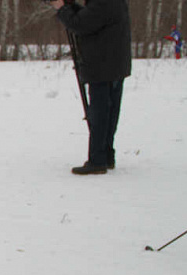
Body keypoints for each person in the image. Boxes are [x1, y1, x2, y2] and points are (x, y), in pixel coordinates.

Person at [51, 0, 131, 175]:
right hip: (114, 64)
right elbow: (92, 18)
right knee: (109, 112)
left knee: (100, 113)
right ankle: (106, 155)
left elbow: (80, 24)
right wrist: (70, 7)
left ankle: (97, 160)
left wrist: (62, 9)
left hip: (102, 65)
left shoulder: (102, 2)